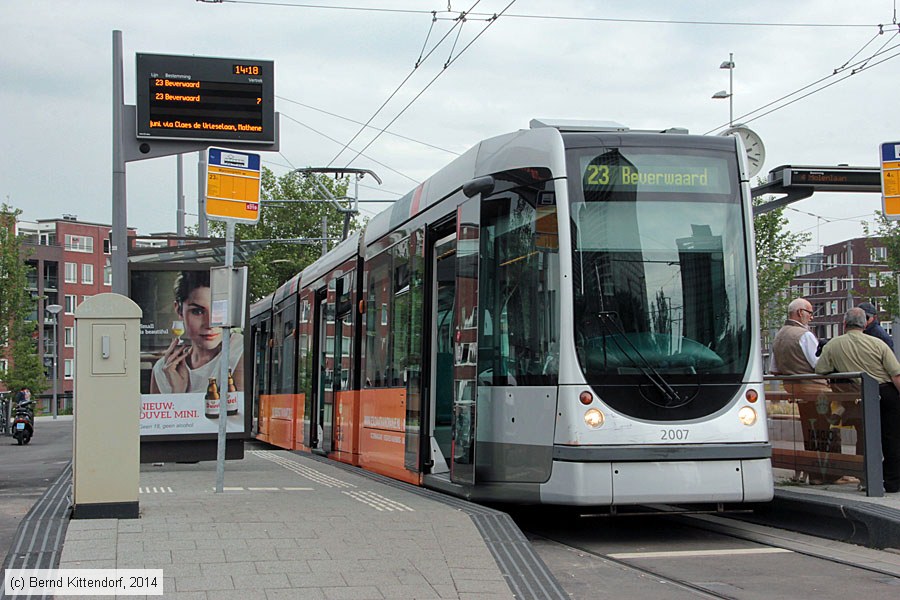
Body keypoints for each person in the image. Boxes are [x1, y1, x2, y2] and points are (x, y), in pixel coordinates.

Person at [815, 307, 900, 493]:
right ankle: (892, 481)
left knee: (865, 437)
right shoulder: (878, 344)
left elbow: (820, 369)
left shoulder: (833, 345)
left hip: (858, 396)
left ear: (844, 323)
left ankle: (867, 478)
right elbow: (896, 374)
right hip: (886, 393)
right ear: (865, 324)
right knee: (892, 438)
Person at [149, 270, 244, 395]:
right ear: (179, 310)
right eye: (198, 311)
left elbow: (239, 407)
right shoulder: (162, 370)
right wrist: (177, 392)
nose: (210, 324)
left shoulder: (240, 349)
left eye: (219, 310)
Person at [770, 298, 838, 461]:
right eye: (810, 313)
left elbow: (774, 370)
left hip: (796, 391)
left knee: (809, 431)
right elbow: (818, 365)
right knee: (824, 431)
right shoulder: (805, 335)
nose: (811, 317)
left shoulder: (779, 336)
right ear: (800, 312)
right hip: (816, 392)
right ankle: (827, 469)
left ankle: (811, 467)